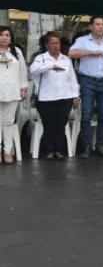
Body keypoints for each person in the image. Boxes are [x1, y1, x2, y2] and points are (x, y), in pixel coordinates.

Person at [69, 16, 103, 159]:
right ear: (91, 26)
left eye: (102, 25)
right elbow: (71, 53)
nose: (100, 27)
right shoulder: (83, 41)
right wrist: (91, 52)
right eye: (97, 24)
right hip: (87, 81)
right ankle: (86, 147)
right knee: (86, 115)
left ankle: (100, 146)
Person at [30, 32, 80, 160]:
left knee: (60, 125)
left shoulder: (66, 59)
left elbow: (72, 80)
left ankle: (59, 150)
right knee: (49, 125)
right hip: (46, 98)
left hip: (65, 97)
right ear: (47, 45)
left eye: (57, 43)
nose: (56, 46)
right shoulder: (40, 58)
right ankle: (49, 150)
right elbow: (33, 70)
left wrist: (75, 96)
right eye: (52, 43)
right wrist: (51, 65)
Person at [0, 26, 28, 164]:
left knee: (9, 121)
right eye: (1, 35)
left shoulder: (16, 52)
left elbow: (23, 71)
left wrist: (23, 88)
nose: (4, 37)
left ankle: (7, 151)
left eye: (7, 35)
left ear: (11, 38)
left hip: (12, 91)